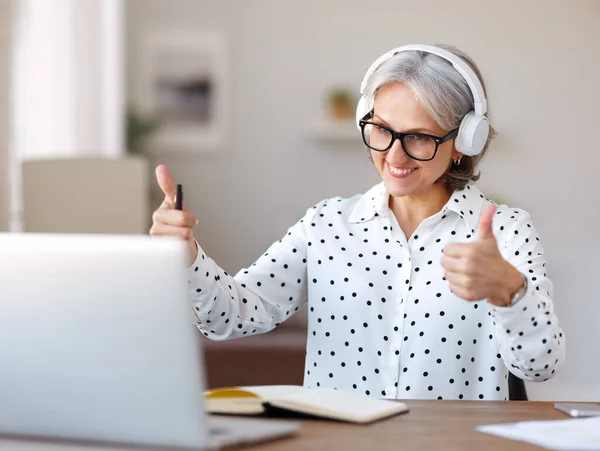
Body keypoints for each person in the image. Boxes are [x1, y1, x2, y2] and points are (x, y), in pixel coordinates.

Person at [150, 43, 565, 401]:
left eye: (419, 136)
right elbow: (231, 315)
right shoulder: (327, 224)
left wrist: (512, 292)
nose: (394, 156)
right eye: (382, 129)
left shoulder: (508, 230)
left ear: (464, 142)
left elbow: (540, 366)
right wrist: (186, 255)